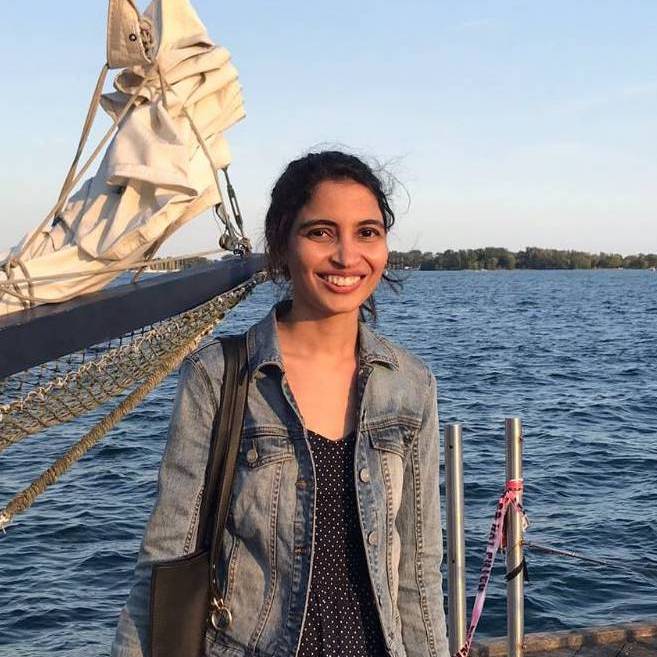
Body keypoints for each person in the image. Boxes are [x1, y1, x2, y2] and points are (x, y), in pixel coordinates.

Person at [111, 150, 449, 657]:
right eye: (320, 232)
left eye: (367, 232)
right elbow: (168, 557)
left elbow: (417, 573)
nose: (346, 256)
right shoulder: (221, 377)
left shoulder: (410, 386)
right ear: (282, 244)